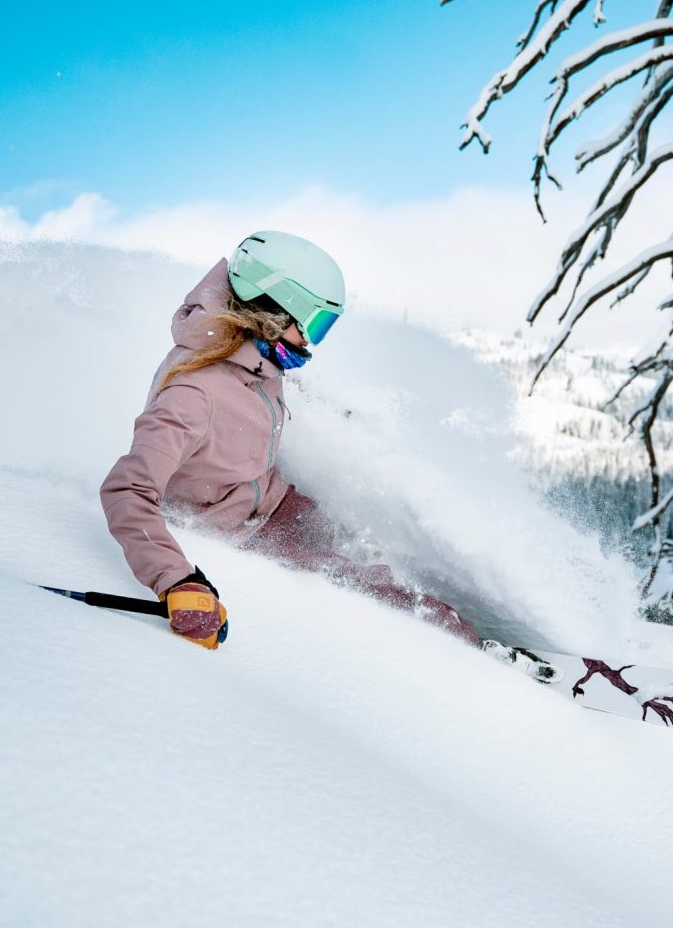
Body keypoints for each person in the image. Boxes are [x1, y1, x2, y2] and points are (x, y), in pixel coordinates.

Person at [101, 231, 479, 649]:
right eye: (315, 323)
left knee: (372, 551)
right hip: (245, 533)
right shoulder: (194, 393)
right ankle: (474, 658)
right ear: (278, 310)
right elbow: (127, 491)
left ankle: (461, 625)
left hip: (275, 504)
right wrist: (177, 581)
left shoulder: (253, 357)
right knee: (389, 600)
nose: (312, 341)